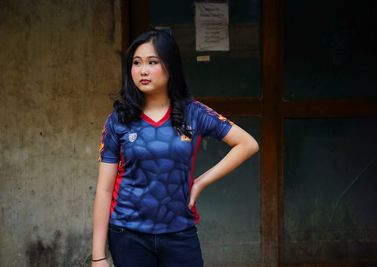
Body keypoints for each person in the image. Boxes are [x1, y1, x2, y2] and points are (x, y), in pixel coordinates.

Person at [91, 29, 259, 267]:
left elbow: (248, 144)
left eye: (152, 62)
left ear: (170, 67)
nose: (143, 71)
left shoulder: (194, 113)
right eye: (136, 63)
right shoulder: (119, 119)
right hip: (128, 234)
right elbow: (104, 190)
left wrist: (200, 182)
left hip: (180, 232)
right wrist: (98, 256)